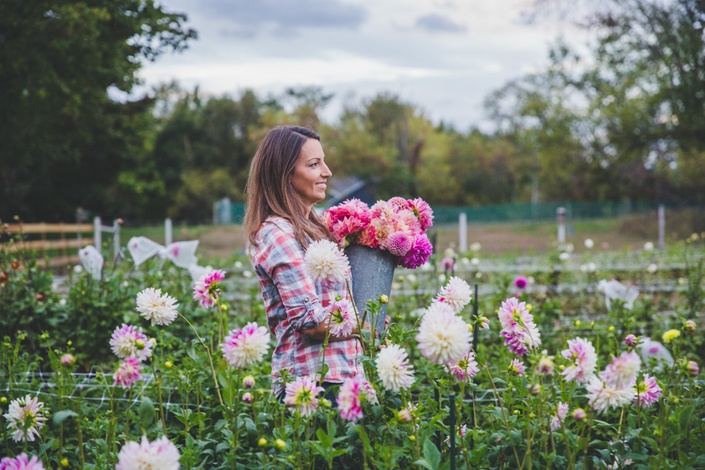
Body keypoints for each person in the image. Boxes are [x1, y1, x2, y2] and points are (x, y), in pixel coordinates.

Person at [244, 125, 365, 400]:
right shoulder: (278, 234)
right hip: (312, 386)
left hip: (346, 378)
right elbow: (310, 322)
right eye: (314, 164)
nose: (327, 172)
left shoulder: (317, 229)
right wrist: (367, 326)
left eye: (324, 161)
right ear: (285, 175)